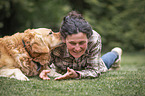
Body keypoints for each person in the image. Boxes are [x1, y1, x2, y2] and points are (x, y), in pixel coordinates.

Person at [39, 11, 122, 80]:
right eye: (72, 43)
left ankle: (116, 53)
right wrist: (43, 71)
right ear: (63, 39)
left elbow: (94, 70)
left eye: (82, 43)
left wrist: (77, 75)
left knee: (104, 64)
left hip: (86, 64)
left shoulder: (94, 38)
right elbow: (44, 65)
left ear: (88, 38)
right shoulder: (55, 42)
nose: (77, 48)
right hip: (64, 67)